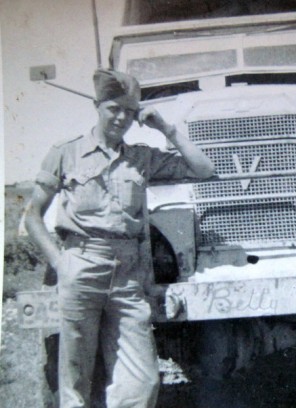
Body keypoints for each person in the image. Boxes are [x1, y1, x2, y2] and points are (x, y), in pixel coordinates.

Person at [25, 69, 215, 408]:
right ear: (97, 106)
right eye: (114, 108)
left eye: (129, 110)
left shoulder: (141, 158)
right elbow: (32, 215)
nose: (122, 117)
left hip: (128, 276)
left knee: (143, 379)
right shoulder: (65, 154)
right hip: (80, 268)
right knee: (75, 380)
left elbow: (204, 170)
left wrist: (166, 128)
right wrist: (60, 263)